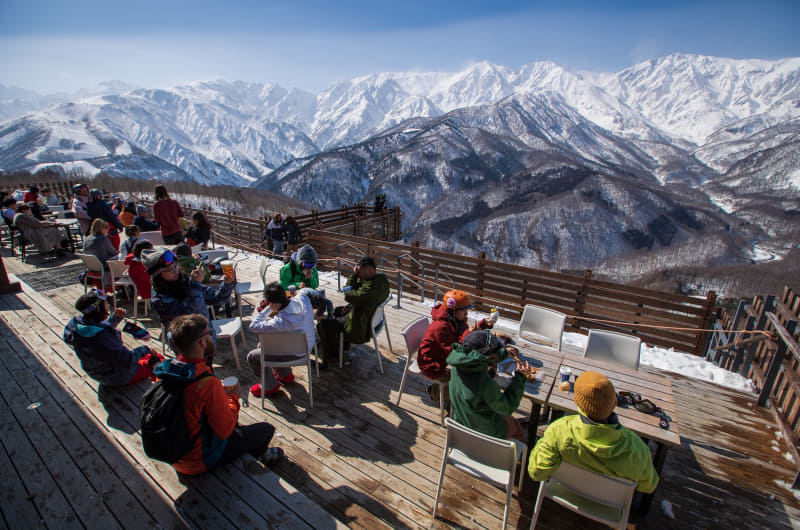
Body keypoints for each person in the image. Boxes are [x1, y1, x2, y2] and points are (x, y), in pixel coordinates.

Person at [154, 313, 283, 475]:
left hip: (175, 454)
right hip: (198, 460)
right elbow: (225, 430)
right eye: (209, 333)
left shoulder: (167, 371)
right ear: (202, 342)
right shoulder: (207, 384)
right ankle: (261, 456)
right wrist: (232, 397)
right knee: (266, 430)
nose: (211, 335)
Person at [528, 371, 659, 493]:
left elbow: (536, 472)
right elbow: (648, 486)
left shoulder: (559, 430)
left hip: (563, 491)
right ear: (614, 402)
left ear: (578, 402)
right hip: (607, 504)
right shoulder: (637, 449)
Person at [63, 289, 163, 386]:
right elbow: (126, 359)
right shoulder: (102, 337)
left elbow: (96, 330)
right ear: (98, 309)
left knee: (146, 356)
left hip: (96, 372)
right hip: (116, 376)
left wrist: (114, 319)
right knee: (157, 358)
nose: (108, 305)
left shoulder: (78, 325)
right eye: (105, 303)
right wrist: (146, 349)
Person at [446, 330, 529, 440]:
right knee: (516, 426)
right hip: (483, 430)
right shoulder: (484, 382)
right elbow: (507, 408)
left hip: (461, 421)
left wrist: (503, 353)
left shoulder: (457, 366)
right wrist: (520, 377)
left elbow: (480, 359)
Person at [417, 290, 496, 402]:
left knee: (479, 370)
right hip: (432, 365)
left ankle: (441, 390)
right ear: (452, 311)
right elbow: (455, 352)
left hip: (443, 357)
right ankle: (435, 393)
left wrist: (482, 325)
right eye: (463, 310)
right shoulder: (440, 327)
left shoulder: (456, 320)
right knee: (467, 382)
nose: (466, 313)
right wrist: (469, 333)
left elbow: (461, 339)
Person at [246, 282, 316, 397]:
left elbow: (253, 326)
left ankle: (269, 387)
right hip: (308, 346)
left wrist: (267, 309)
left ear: (274, 303)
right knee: (263, 346)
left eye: (269, 302)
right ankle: (285, 375)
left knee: (252, 357)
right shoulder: (302, 298)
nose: (268, 304)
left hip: (294, 354)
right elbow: (306, 291)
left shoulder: (280, 322)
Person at [144, 248, 235, 330]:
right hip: (188, 341)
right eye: (169, 270)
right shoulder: (160, 299)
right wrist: (196, 284)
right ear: (158, 276)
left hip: (206, 335)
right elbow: (192, 321)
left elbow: (217, 298)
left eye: (175, 266)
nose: (175, 271)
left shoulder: (185, 281)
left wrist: (227, 284)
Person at [340, 255, 390, 349]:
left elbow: (348, 294)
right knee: (338, 311)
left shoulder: (370, 290)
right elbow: (357, 289)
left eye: (360, 272)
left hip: (361, 326)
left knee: (327, 324)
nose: (359, 275)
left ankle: (335, 352)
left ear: (369, 271)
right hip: (370, 318)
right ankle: (343, 344)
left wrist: (354, 275)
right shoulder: (381, 281)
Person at [83, 219, 119, 287]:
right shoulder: (103, 239)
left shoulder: (86, 239)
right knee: (121, 258)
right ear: (103, 229)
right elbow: (113, 252)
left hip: (91, 268)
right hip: (104, 266)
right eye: (107, 229)